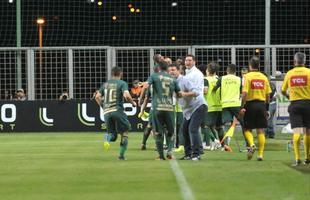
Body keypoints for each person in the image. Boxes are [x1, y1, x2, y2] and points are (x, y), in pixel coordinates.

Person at [141, 61, 182, 160]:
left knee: (158, 132)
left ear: (158, 68)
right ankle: (169, 151)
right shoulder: (173, 79)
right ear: (167, 69)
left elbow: (146, 85)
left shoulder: (154, 76)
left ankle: (160, 155)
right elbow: (179, 94)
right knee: (170, 131)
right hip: (169, 108)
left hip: (157, 108)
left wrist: (141, 97)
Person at [95, 67, 136, 160]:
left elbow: (97, 96)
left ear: (112, 74)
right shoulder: (122, 83)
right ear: (121, 74)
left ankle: (107, 139)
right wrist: (133, 103)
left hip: (106, 112)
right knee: (124, 133)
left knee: (112, 136)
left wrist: (103, 107)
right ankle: (121, 156)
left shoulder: (105, 84)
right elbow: (126, 95)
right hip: (117, 110)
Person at [281, 52, 310, 166]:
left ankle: (298, 159)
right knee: (308, 132)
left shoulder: (290, 74)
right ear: (305, 62)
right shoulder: (309, 72)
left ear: (294, 61)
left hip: (295, 104)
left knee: (297, 131)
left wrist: (289, 96)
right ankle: (308, 158)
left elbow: (283, 90)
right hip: (308, 104)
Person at [241, 56, 271, 161]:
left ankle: (252, 144)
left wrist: (242, 105)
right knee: (260, 130)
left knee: (246, 128)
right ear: (258, 65)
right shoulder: (264, 77)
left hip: (250, 104)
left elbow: (244, 93)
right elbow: (268, 95)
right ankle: (260, 155)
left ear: (250, 66)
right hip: (261, 105)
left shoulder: (247, 77)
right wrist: (266, 108)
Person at [179, 55, 207, 160]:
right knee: (185, 129)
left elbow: (195, 92)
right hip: (190, 108)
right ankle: (188, 153)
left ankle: (197, 153)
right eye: (186, 60)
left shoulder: (196, 74)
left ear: (194, 62)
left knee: (192, 128)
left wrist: (182, 94)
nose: (187, 62)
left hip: (198, 105)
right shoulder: (186, 73)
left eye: (190, 60)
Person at [213, 64, 244, 151]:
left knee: (225, 123)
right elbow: (242, 91)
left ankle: (226, 143)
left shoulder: (222, 78)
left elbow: (215, 89)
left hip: (225, 104)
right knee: (243, 123)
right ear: (235, 71)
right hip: (236, 104)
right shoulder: (239, 79)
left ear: (227, 70)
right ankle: (248, 145)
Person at [201, 63, 222, 151]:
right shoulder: (218, 79)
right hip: (218, 105)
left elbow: (205, 91)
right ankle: (218, 144)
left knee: (204, 125)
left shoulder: (206, 79)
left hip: (209, 105)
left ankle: (214, 140)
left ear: (208, 70)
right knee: (212, 126)